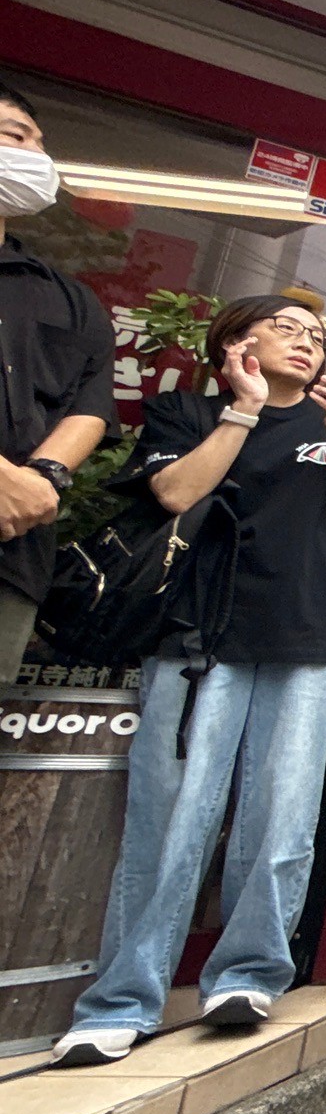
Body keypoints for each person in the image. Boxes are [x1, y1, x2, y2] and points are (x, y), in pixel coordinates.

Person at [56, 294, 326, 1063]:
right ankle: (122, 999)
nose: (307, 343)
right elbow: (178, 493)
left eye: (318, 336)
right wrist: (241, 412)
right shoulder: (188, 412)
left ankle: (247, 974)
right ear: (234, 343)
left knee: (281, 820)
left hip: (315, 636)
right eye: (285, 328)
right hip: (197, 636)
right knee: (170, 819)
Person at [0, 81, 121, 683]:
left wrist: (42, 480)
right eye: (16, 137)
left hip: (13, 549)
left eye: (40, 145)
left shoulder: (67, 298)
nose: (35, 157)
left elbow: (89, 401)